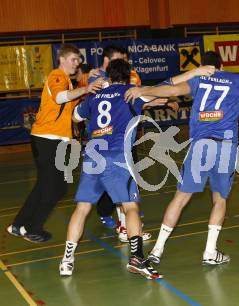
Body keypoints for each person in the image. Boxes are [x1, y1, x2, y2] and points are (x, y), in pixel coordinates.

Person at [124, 51, 239, 265]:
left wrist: (143, 90)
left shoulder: (199, 78)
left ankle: (157, 250)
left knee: (180, 199)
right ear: (222, 64)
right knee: (220, 199)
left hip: (201, 145)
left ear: (204, 65)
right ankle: (210, 252)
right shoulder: (237, 80)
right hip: (225, 147)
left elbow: (171, 89)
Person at [59, 59, 164, 279]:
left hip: (93, 154)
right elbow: (162, 95)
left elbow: (75, 116)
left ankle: (67, 260)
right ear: (129, 76)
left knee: (82, 208)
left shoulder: (95, 95)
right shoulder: (132, 92)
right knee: (131, 207)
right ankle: (136, 258)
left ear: (109, 75)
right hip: (117, 156)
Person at [7, 44, 101, 243]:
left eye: (78, 60)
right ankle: (33, 229)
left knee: (44, 185)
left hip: (53, 140)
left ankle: (18, 224)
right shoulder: (57, 76)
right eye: (74, 59)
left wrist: (86, 84)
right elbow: (60, 97)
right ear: (62, 59)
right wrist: (85, 87)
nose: (77, 63)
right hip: (46, 138)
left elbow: (71, 101)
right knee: (56, 189)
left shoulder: (67, 81)